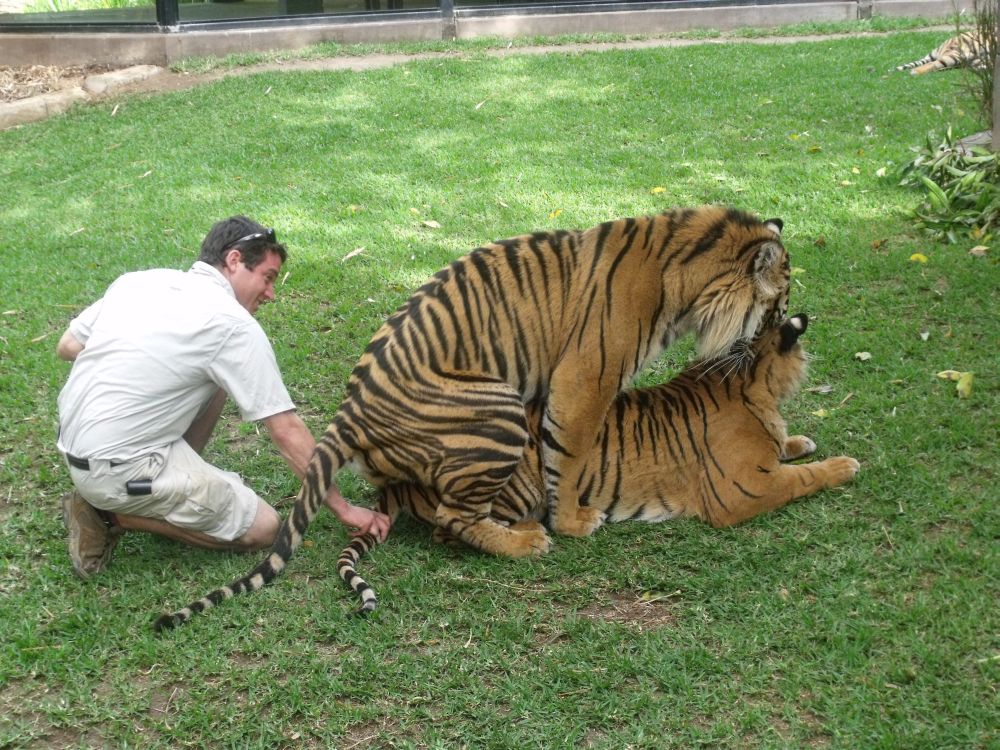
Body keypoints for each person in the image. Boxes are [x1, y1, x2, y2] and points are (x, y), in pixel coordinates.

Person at [56, 215, 390, 579]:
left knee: (215, 377)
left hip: (75, 449)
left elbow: (68, 346)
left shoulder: (140, 282)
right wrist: (344, 509)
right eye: (268, 277)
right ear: (233, 261)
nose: (270, 293)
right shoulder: (232, 325)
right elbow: (286, 431)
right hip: (118, 469)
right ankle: (106, 514)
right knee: (263, 527)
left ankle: (135, 487)